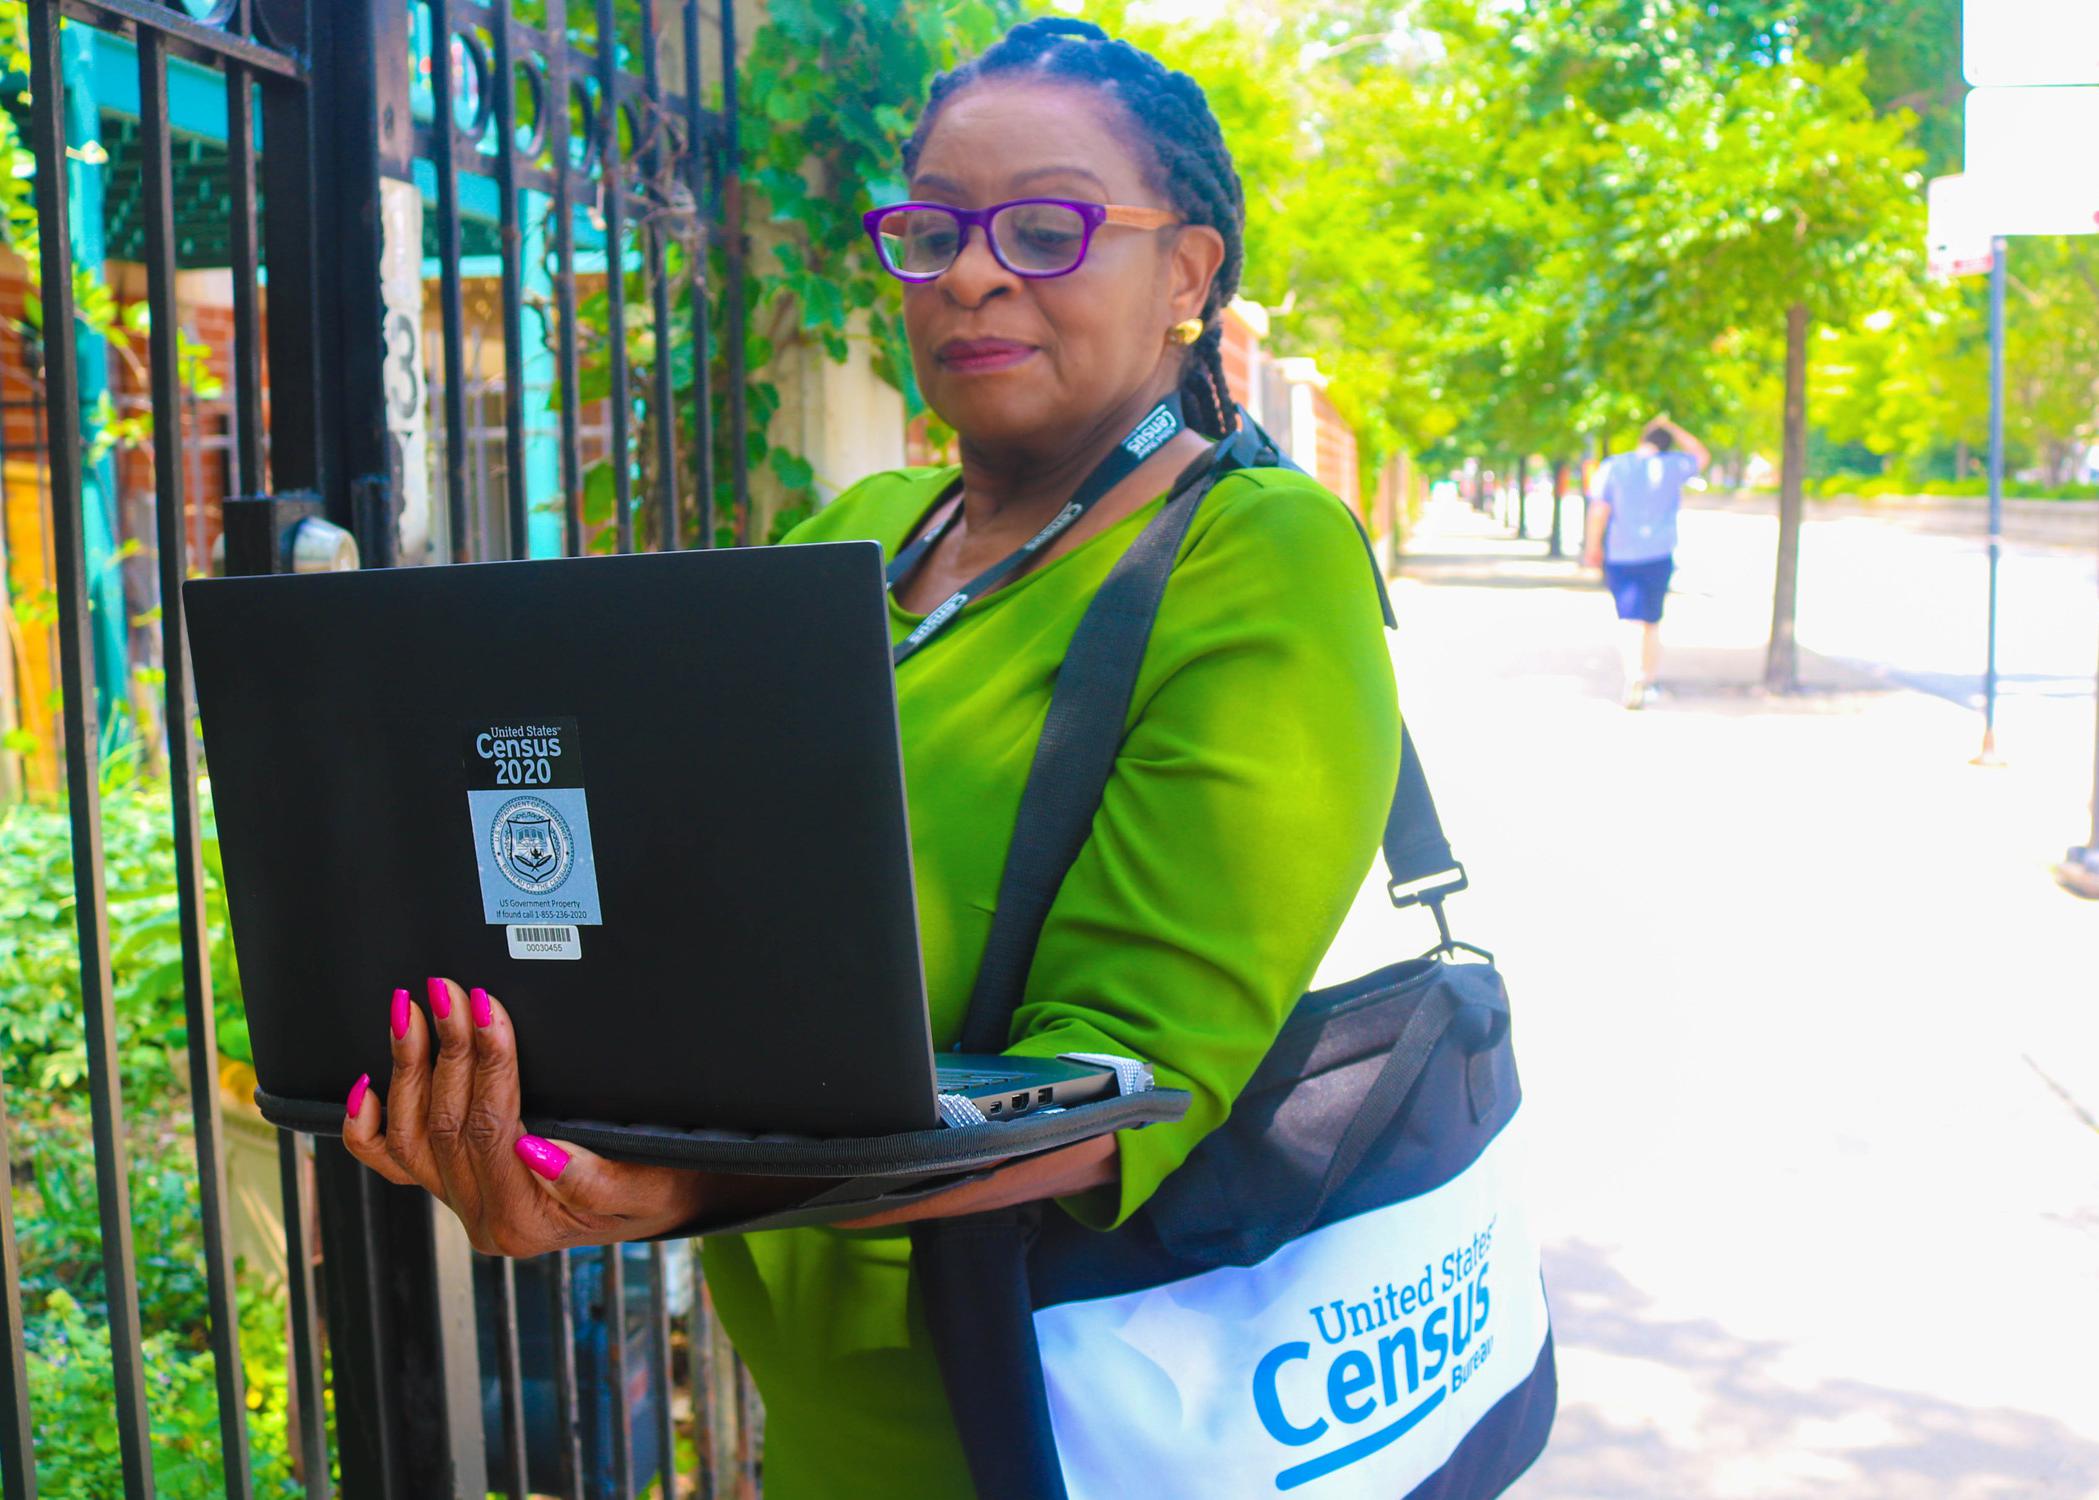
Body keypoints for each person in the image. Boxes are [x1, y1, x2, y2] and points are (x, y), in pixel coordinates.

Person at [337, 18, 1400, 1495]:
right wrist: (515, 1078)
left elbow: (1133, 1083)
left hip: (1045, 1427)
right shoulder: (855, 532)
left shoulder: (1259, 554)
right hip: (819, 1431)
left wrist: (686, 1188)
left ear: (1186, 275)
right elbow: (702, 921)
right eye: (931, 231)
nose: (971, 272)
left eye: (1045, 226)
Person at [1582, 413, 1708, 707]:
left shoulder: (1614, 466)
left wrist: (1592, 547)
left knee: (1628, 618)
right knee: (1652, 620)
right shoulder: (1674, 465)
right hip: (1659, 553)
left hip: (1621, 552)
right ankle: (1648, 679)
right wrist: (1674, 426)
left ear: (1642, 438)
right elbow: (1701, 454)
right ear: (1667, 443)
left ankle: (1633, 674)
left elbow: (1599, 510)